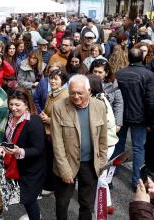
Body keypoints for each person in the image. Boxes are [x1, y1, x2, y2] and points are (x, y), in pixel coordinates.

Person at [51, 74, 107, 220]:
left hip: (90, 164)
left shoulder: (99, 106)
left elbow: (102, 139)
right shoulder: (59, 107)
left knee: (87, 204)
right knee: (62, 203)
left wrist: (101, 163)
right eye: (72, 92)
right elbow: (57, 142)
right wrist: (64, 170)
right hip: (66, 164)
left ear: (89, 90)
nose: (75, 96)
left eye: (79, 93)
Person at [0, 87, 45, 220]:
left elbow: (38, 149)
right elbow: (8, 138)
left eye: (17, 105)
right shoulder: (11, 117)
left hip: (32, 168)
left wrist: (19, 151)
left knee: (28, 199)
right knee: (26, 198)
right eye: (11, 104)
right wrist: (3, 146)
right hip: (17, 165)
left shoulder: (34, 122)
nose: (13, 108)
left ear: (26, 104)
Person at [114, 48, 154, 191]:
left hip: (122, 116)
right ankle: (136, 180)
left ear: (129, 58)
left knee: (119, 145)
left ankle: (113, 172)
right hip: (140, 117)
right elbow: (150, 101)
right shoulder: (148, 75)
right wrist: (151, 122)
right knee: (138, 148)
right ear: (142, 58)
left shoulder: (119, 74)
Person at [87, 74, 119, 210]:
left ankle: (104, 206)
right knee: (101, 175)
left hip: (106, 143)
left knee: (99, 175)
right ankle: (106, 204)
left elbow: (104, 123)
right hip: (108, 142)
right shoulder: (101, 97)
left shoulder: (98, 101)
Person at [39, 69, 69, 196]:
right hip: (47, 131)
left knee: (52, 160)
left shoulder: (64, 96)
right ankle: (47, 183)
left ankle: (51, 186)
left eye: (56, 79)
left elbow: (66, 118)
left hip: (55, 133)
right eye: (51, 78)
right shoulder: (51, 93)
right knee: (47, 159)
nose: (52, 81)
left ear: (62, 82)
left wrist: (48, 119)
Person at [90, 59, 123, 133]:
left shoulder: (113, 83)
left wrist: (118, 123)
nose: (97, 74)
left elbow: (118, 103)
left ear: (106, 73)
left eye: (100, 72)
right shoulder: (86, 81)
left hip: (107, 120)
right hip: (90, 120)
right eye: (95, 71)